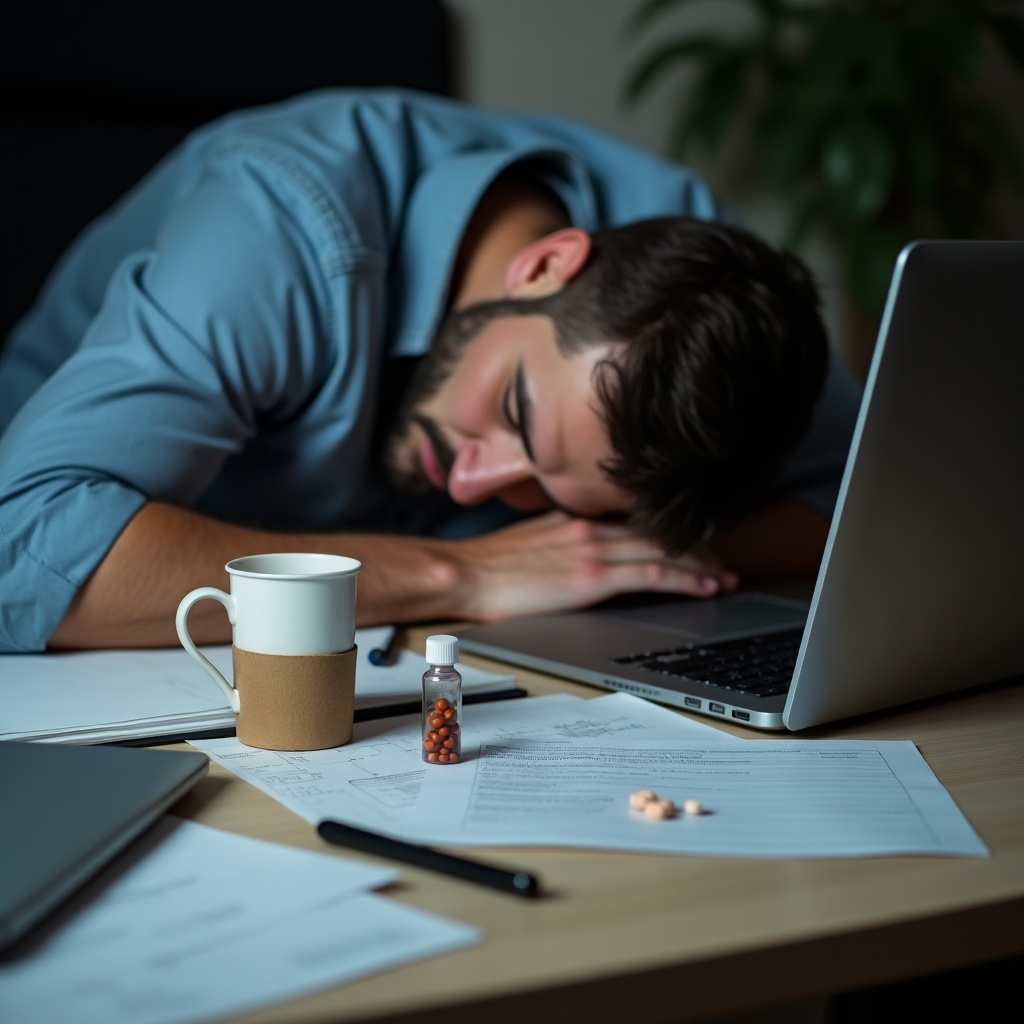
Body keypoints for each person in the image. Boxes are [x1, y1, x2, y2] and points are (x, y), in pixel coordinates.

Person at [0, 88, 862, 653]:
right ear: (543, 265)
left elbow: (865, 510)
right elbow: (23, 546)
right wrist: (470, 571)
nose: (477, 485)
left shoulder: (726, 313)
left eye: (554, 495)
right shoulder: (275, 232)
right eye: (517, 413)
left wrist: (597, 539)